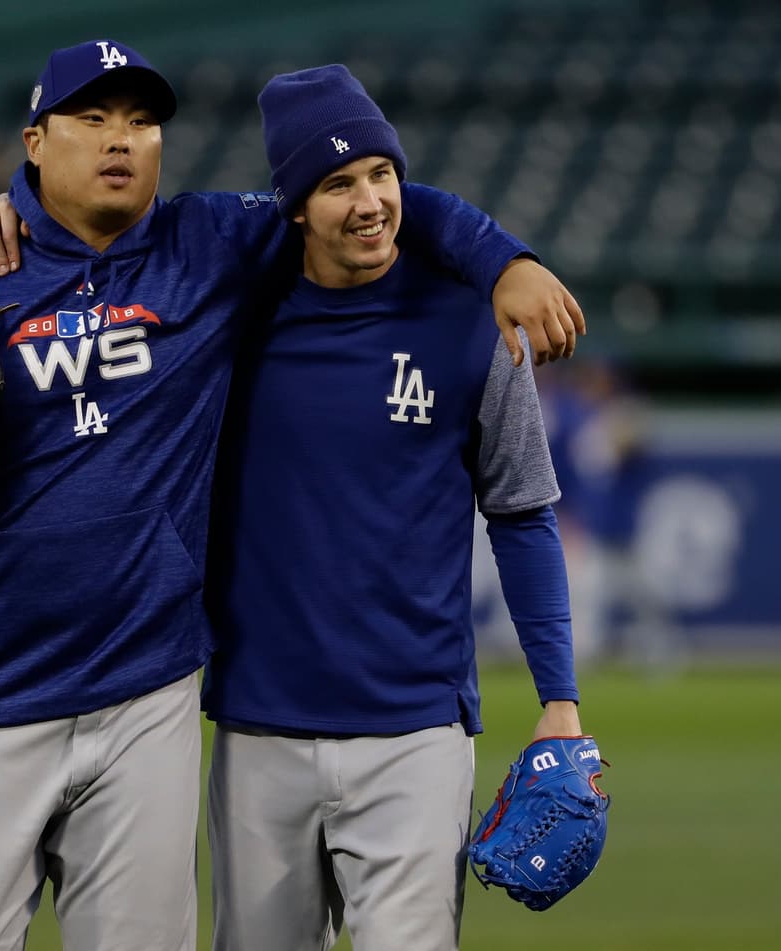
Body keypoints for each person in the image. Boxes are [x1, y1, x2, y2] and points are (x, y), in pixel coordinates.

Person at [0, 39, 580, 951]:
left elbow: (363, 198)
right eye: (92, 119)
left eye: (141, 120)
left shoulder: (207, 244)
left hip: (149, 695)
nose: (120, 139)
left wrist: (503, 261)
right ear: (35, 141)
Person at [196, 65, 586, 951]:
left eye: (381, 174)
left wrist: (559, 698)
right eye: (338, 184)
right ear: (294, 204)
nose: (370, 201)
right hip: (260, 727)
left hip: (415, 732)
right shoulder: (234, 321)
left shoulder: (472, 322)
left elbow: (522, 512)